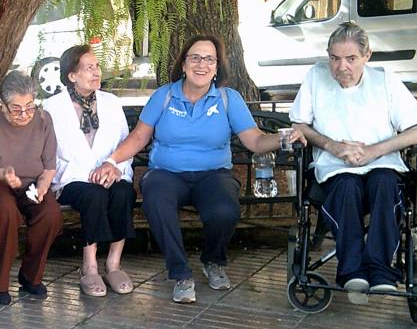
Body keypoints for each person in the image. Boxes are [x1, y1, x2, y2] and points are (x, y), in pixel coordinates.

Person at [93, 34, 300, 304]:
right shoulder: (164, 95)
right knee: (156, 199)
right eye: (195, 58)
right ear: (183, 64)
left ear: (217, 67)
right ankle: (180, 273)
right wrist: (111, 161)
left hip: (213, 175)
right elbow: (139, 136)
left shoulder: (228, 98)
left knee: (225, 210)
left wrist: (285, 138)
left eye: (209, 59)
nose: (202, 64)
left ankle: (213, 261)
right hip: (166, 174)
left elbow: (255, 141)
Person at [290, 22, 417, 302]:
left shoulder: (384, 80)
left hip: (383, 165)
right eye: (334, 58)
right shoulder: (316, 76)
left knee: (384, 182)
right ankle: (352, 272)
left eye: (351, 59)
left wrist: (376, 150)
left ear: (367, 56)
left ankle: (381, 271)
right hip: (334, 168)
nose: (341, 67)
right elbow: (299, 125)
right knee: (347, 185)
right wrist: (333, 146)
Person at [44, 45, 135, 297]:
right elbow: (49, 153)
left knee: (124, 192)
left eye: (97, 66)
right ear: (72, 75)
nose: (96, 73)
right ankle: (89, 266)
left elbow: (125, 143)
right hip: (71, 178)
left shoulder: (111, 103)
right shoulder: (52, 107)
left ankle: (114, 264)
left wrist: (115, 167)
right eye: (88, 68)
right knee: (94, 195)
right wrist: (90, 175)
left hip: (110, 173)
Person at [0, 71, 63, 305]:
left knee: (50, 213)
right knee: (6, 211)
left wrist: (42, 187)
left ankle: (31, 276)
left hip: (30, 183)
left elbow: (49, 167)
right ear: (2, 105)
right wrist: (2, 174)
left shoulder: (43, 120)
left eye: (30, 107)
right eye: (16, 109)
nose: (24, 115)